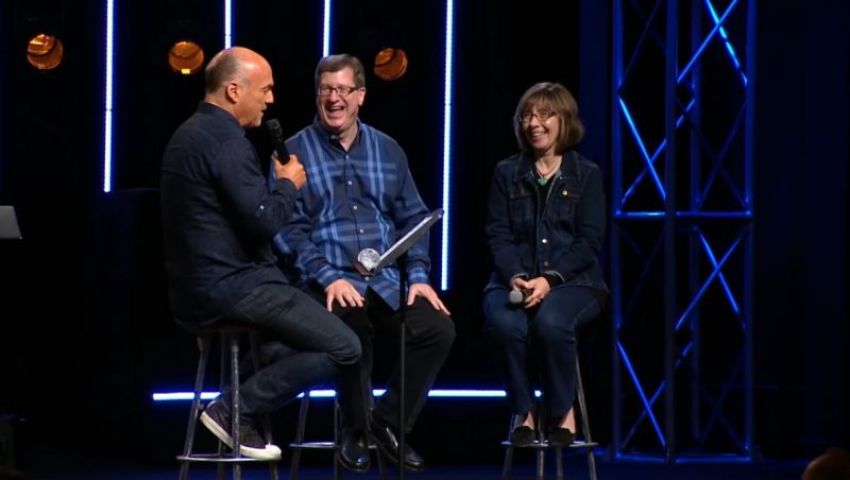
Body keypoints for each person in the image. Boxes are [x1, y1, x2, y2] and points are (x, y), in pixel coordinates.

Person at [160, 47, 361, 460]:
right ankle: (235, 408)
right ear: (234, 91)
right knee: (347, 347)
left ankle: (234, 399)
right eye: (265, 90)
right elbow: (266, 221)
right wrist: (288, 183)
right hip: (234, 286)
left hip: (198, 287)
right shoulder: (225, 141)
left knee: (291, 346)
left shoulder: (189, 132)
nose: (270, 99)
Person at [274, 53, 455, 472]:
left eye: (343, 90)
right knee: (351, 330)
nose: (334, 99)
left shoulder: (388, 149)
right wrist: (326, 277)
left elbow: (414, 219)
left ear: (361, 96)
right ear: (316, 96)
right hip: (327, 281)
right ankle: (355, 429)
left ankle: (386, 423)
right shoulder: (294, 153)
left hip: (386, 279)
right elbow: (286, 230)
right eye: (326, 90)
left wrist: (418, 276)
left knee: (437, 329)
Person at [482, 82, 608, 447]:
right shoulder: (507, 172)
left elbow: (588, 242)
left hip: (573, 283)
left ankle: (562, 411)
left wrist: (550, 280)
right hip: (514, 280)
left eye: (544, 115)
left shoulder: (586, 173)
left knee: (551, 322)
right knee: (504, 324)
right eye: (526, 116)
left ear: (563, 120)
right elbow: (497, 234)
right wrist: (517, 276)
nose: (533, 124)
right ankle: (524, 411)